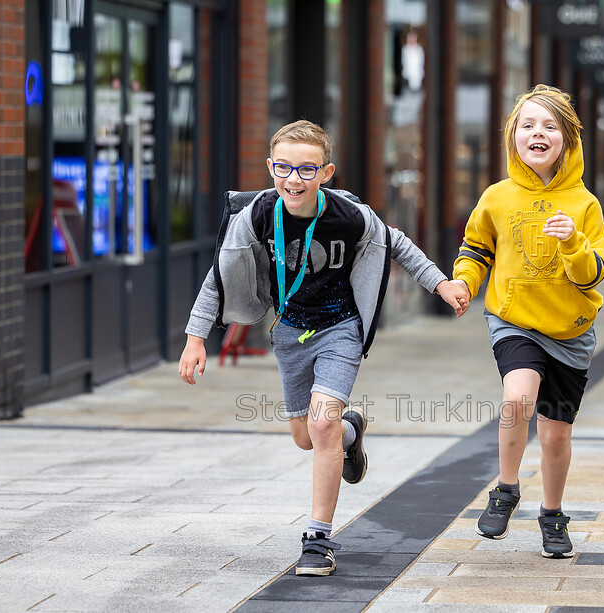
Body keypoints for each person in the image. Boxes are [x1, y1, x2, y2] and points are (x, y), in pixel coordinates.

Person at [178, 120, 470, 577]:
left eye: (307, 169)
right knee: (306, 437)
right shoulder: (256, 215)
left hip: (340, 330)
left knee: (321, 424)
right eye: (284, 167)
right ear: (271, 167)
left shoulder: (349, 217)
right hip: (290, 333)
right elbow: (219, 273)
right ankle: (351, 433)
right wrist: (196, 338)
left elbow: (399, 244)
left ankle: (317, 540)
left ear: (326, 172)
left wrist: (440, 283)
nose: (294, 179)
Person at [452, 85, 604, 558]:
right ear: (513, 137)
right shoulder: (497, 197)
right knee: (517, 398)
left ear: (567, 139)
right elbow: (476, 247)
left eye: (549, 126)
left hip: (570, 331)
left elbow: (593, 275)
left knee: (554, 433)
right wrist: (465, 281)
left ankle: (552, 514)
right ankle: (505, 489)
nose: (537, 133)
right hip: (514, 320)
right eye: (527, 125)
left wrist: (573, 244)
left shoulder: (584, 205)